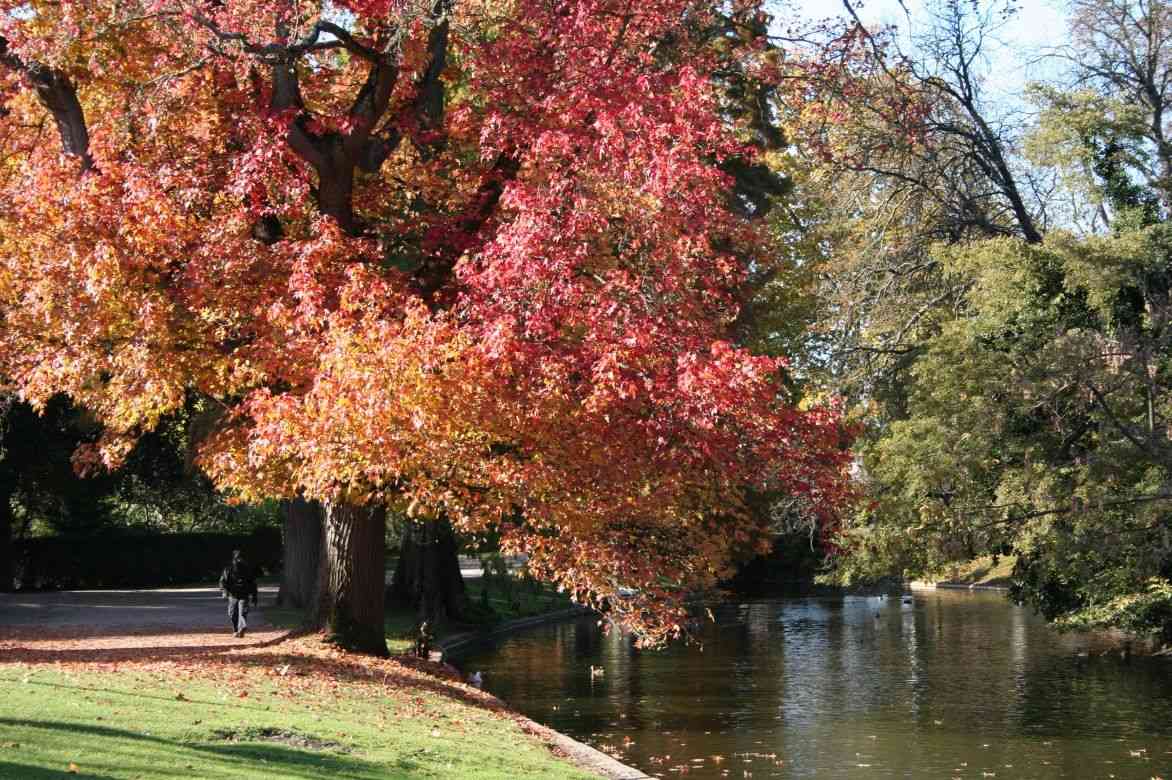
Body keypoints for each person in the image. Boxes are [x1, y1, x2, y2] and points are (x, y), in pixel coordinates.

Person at [219, 549, 258, 638]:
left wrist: (255, 596)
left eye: (241, 558)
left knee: (243, 612)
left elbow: (253, 583)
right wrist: (224, 592)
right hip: (233, 595)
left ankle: (242, 627)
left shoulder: (247, 569)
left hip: (244, 594)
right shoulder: (228, 569)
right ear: (234, 559)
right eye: (237, 558)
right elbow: (222, 582)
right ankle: (236, 630)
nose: (239, 560)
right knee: (232, 613)